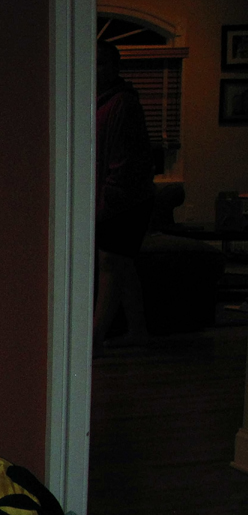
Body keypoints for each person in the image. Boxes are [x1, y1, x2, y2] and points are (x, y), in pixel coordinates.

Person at [92, 39, 156, 351]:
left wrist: (105, 205)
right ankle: (138, 331)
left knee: (110, 262)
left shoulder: (122, 104)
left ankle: (94, 339)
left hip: (126, 199)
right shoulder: (96, 101)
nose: (96, 69)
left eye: (102, 63)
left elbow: (124, 163)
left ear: (115, 68)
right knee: (123, 267)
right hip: (112, 196)